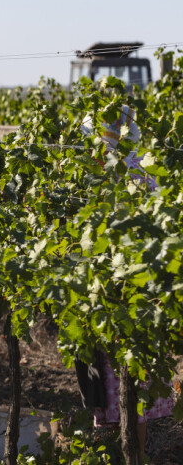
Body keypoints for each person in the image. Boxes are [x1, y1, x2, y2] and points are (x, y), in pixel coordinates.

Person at [80, 106, 169, 461]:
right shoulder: (145, 174)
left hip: (116, 295)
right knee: (126, 382)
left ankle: (129, 455)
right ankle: (134, 453)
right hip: (139, 295)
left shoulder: (110, 178)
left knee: (118, 381)